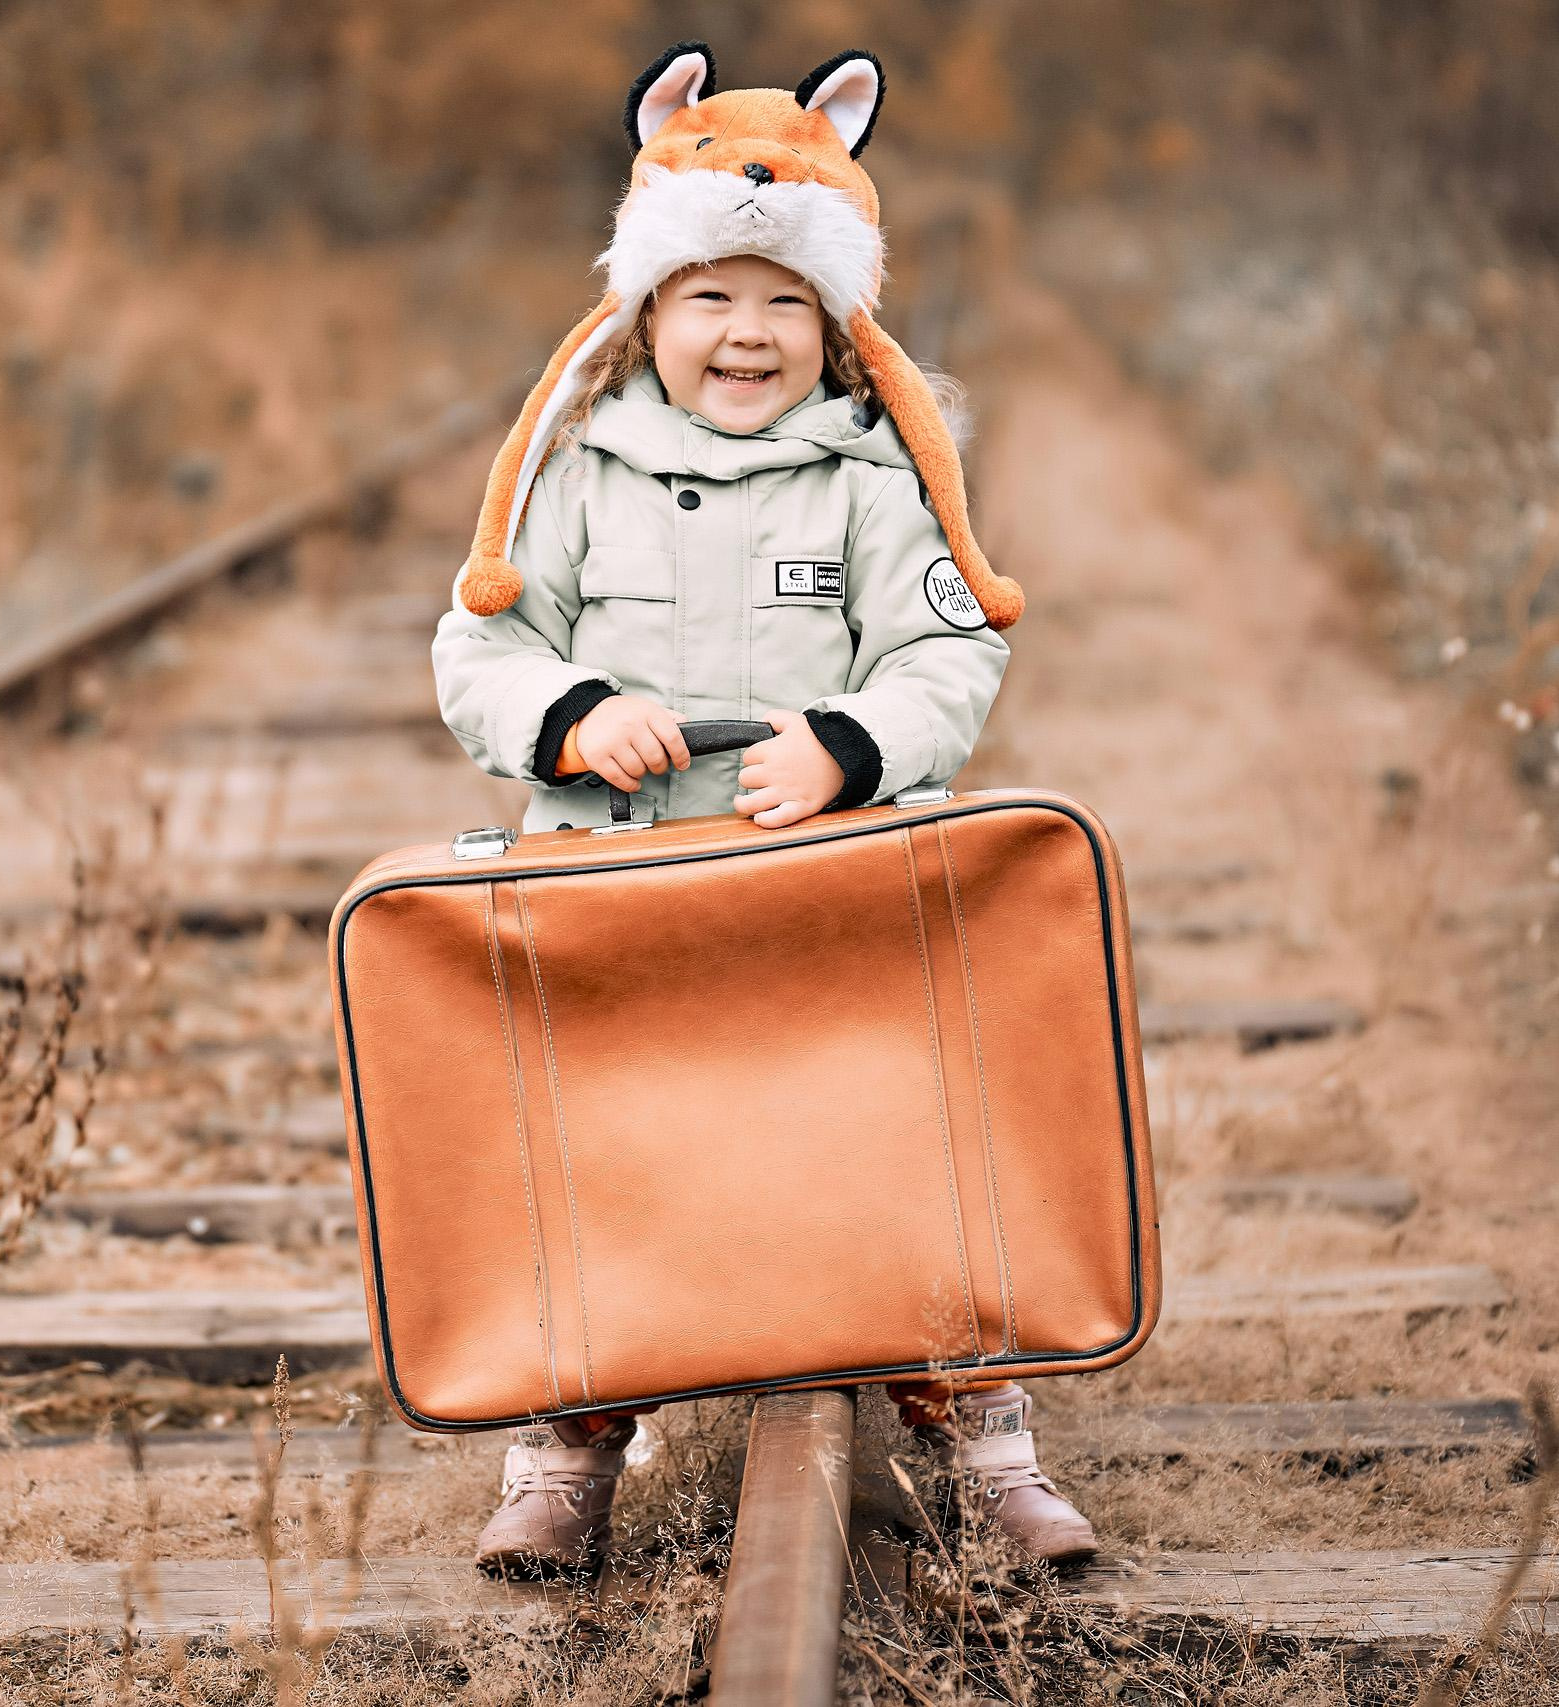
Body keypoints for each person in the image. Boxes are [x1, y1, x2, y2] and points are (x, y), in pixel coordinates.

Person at [427, 41, 1093, 1579]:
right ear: (646, 314)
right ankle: (566, 1451)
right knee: (595, 1169)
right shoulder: (573, 474)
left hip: (830, 897)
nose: (747, 331)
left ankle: (988, 1446)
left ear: (835, 323)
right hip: (624, 898)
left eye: (784, 302)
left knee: (905, 1147)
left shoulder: (872, 481)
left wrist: (855, 744)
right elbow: (482, 642)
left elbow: (945, 646)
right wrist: (576, 714)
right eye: (710, 297)